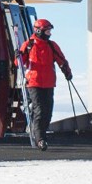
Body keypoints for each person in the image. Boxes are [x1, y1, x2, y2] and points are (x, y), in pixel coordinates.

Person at [17, 19, 72, 150]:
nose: (49, 33)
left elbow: (61, 60)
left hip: (48, 83)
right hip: (33, 82)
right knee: (40, 110)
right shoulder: (29, 45)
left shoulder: (52, 45)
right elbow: (18, 63)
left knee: (48, 112)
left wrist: (67, 72)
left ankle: (40, 134)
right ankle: (40, 139)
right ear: (38, 30)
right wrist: (17, 56)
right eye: (47, 31)